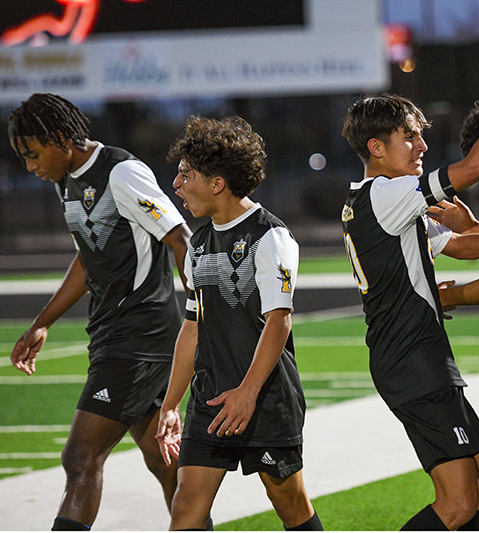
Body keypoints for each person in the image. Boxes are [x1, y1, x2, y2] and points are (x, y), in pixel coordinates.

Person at [340, 93, 479, 531]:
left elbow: (458, 245)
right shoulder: (387, 193)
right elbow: (473, 170)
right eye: (409, 137)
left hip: (420, 357)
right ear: (376, 147)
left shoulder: (380, 200)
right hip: (412, 361)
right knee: (459, 502)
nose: (422, 146)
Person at [7, 93, 190, 531]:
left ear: (61, 138)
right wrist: (43, 322)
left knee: (80, 456)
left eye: (33, 154)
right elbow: (87, 257)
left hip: (140, 335)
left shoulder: (121, 172)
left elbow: (180, 237)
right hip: (115, 332)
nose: (30, 166)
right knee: (165, 464)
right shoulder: (64, 179)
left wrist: (203, 314)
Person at [156, 116, 322, 531]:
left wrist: (248, 394)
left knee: (289, 503)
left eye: (185, 175)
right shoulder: (197, 243)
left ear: (216, 183)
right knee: (185, 510)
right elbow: (192, 328)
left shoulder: (271, 237)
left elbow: (278, 324)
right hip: (211, 399)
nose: (176, 185)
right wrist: (171, 403)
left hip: (265, 400)